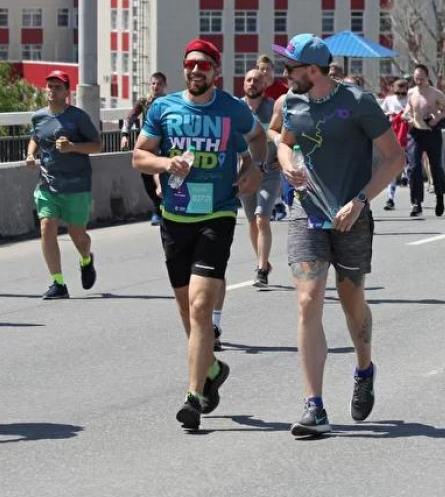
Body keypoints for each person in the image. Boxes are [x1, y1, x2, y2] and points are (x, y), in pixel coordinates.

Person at [271, 33, 404, 437]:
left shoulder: (358, 103)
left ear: (313, 70)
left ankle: (364, 367)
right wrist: (287, 163)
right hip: (305, 213)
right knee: (308, 301)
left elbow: (395, 157)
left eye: (290, 67)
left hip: (351, 217)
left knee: (352, 303)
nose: (284, 74)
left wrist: (360, 200)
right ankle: (315, 406)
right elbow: (284, 141)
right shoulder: (291, 102)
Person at [132, 38, 265, 430]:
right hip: (175, 216)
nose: (196, 71)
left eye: (204, 66)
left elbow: (258, 139)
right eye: (190, 65)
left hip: (218, 213)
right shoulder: (164, 107)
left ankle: (194, 396)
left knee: (202, 307)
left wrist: (257, 168)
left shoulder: (232, 110)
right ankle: (212, 368)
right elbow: (138, 156)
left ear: (216, 73)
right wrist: (164, 163)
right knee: (187, 312)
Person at [25, 70, 102, 300]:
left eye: (57, 87)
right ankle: (58, 283)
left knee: (77, 235)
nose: (51, 90)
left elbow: (97, 146)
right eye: (49, 85)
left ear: (67, 92)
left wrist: (72, 147)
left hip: (77, 185)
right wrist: (30, 155)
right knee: (46, 226)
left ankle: (86, 259)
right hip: (48, 184)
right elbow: (36, 138)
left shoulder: (78, 117)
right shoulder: (39, 117)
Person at [240, 68, 281, 287]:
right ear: (243, 84)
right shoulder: (237, 108)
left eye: (257, 80)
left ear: (264, 85)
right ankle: (263, 261)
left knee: (262, 217)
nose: (253, 83)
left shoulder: (272, 107)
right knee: (251, 222)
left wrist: (283, 159)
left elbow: (286, 135)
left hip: (269, 171)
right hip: (245, 172)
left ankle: (262, 269)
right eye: (249, 80)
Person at [402, 64, 445, 217]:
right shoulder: (411, 92)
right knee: (414, 167)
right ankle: (416, 202)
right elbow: (406, 111)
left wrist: (437, 117)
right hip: (415, 133)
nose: (418, 81)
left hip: (432, 132)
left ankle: (439, 197)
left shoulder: (435, 93)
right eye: (416, 78)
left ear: (427, 78)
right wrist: (408, 118)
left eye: (421, 79)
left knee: (435, 166)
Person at [121, 72, 167, 225]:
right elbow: (130, 118)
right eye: (153, 83)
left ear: (164, 86)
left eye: (159, 84)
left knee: (161, 177)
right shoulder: (144, 102)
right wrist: (125, 135)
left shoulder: (169, 102)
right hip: (146, 146)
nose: (156, 86)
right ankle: (158, 208)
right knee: (147, 180)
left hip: (163, 146)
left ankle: (161, 211)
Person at [380, 78, 410, 211]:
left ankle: (405, 174)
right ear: (393, 90)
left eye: (403, 93)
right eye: (398, 93)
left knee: (404, 158)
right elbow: (381, 113)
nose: (401, 96)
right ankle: (390, 198)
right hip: (393, 132)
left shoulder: (410, 100)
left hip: (407, 132)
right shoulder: (389, 100)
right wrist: (389, 114)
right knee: (392, 165)